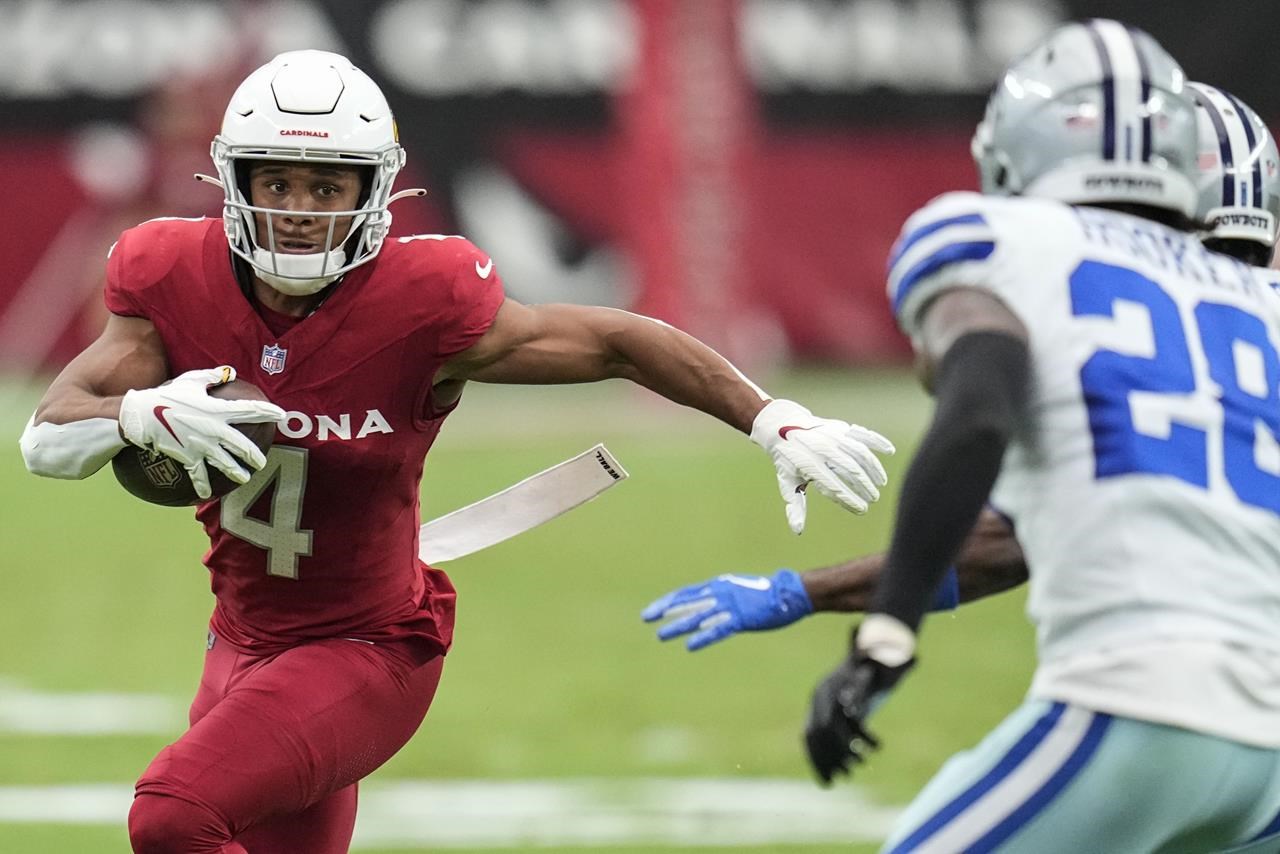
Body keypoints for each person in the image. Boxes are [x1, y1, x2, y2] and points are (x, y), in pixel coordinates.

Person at [17, 50, 895, 854]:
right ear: (234, 180)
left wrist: (771, 417)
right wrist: (137, 414)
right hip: (239, 641)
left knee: (172, 814)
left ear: (376, 190)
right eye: (277, 182)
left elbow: (622, 341)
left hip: (367, 648)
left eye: (328, 187)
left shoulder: (422, 301)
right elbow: (47, 437)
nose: (298, 210)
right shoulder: (170, 273)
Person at [659, 20, 1280, 851]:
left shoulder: (1004, 243)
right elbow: (1014, 539)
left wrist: (885, 638)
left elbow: (978, 410)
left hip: (1139, 698)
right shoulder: (1260, 308)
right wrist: (808, 594)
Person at [642, 79, 1280, 647]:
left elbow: (1001, 513)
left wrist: (831, 610)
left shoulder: (1087, 307)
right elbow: (1010, 542)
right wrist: (806, 592)